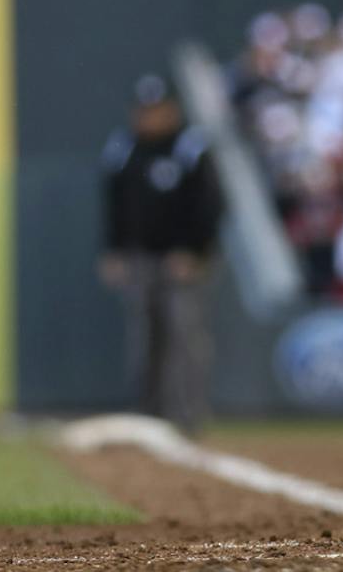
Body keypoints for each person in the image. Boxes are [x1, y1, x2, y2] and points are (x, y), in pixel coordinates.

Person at [100, 74, 223, 433]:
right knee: (145, 337)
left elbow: (211, 205)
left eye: (156, 110)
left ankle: (187, 418)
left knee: (185, 336)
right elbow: (114, 204)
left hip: (182, 259)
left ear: (172, 110)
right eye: (143, 110)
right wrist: (114, 250)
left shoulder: (191, 146)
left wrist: (195, 251)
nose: (149, 118)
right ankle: (148, 415)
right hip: (141, 258)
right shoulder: (123, 148)